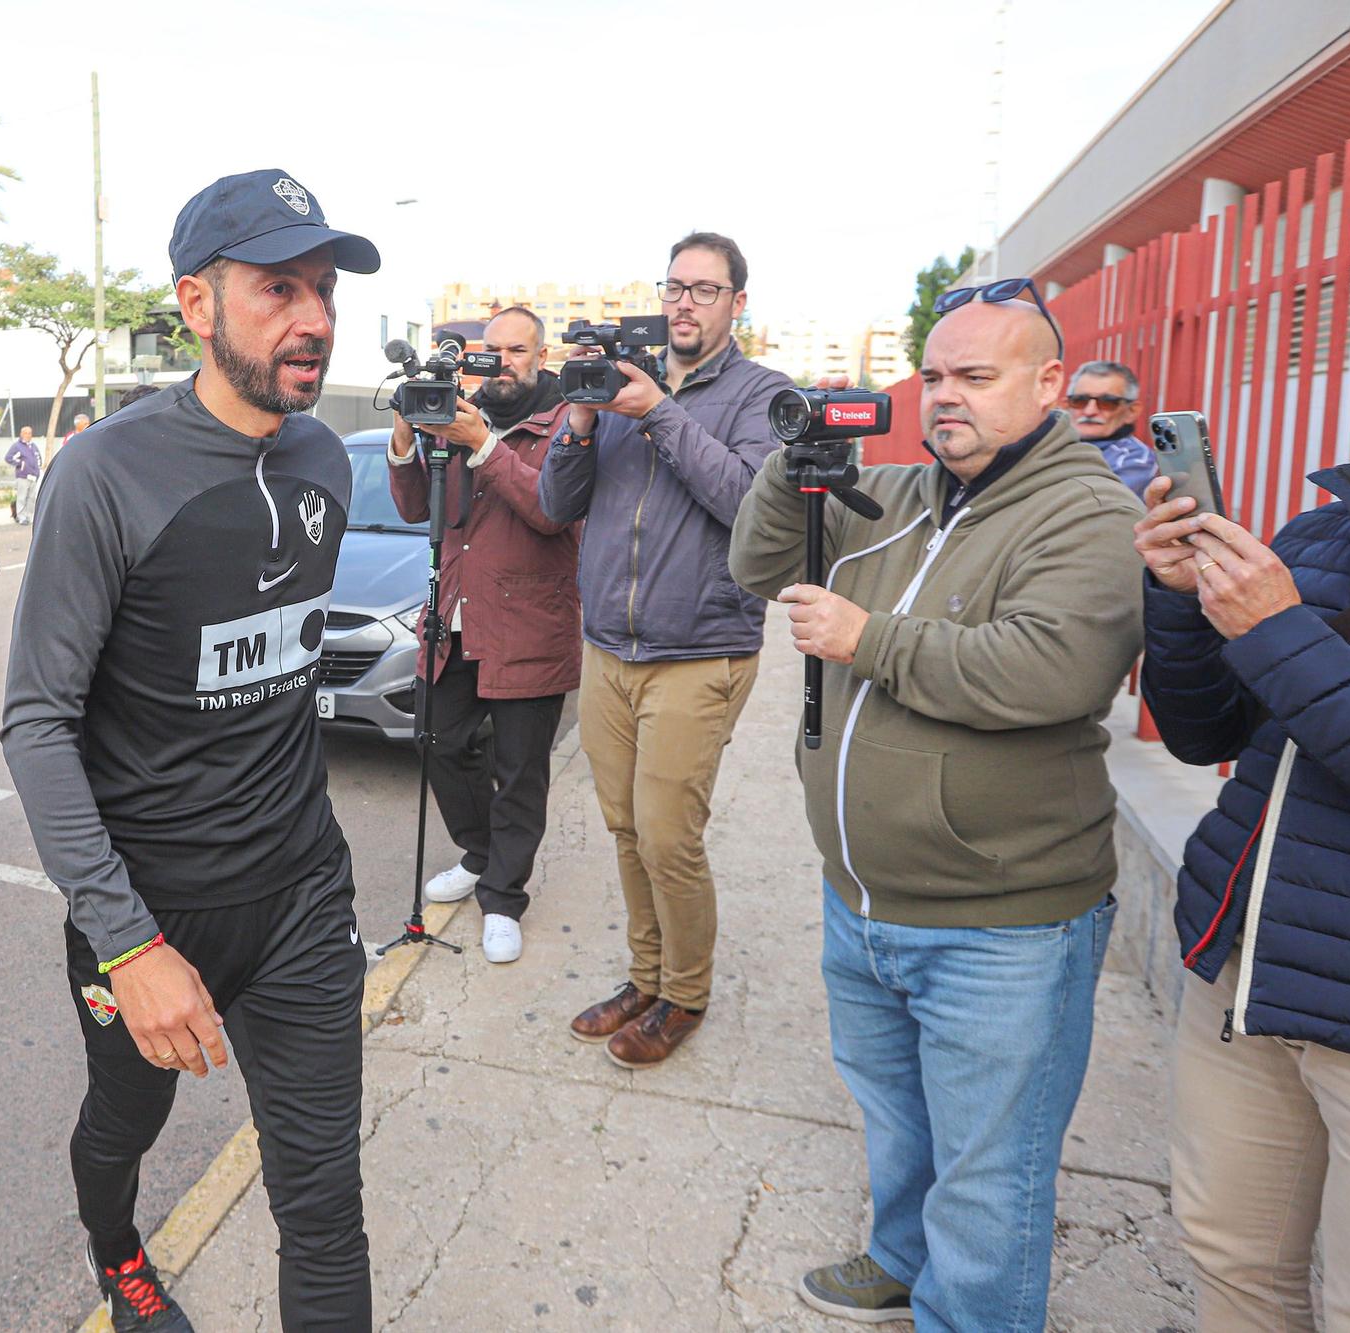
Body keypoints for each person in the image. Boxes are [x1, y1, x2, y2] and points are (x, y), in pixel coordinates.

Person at [3, 169, 379, 1332]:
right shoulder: (105, 472)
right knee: (124, 1126)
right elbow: (36, 722)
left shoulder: (324, 458)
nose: (311, 316)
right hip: (152, 913)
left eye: (321, 289)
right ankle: (116, 1258)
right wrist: (129, 945)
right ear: (196, 304)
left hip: (302, 898)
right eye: (277, 288)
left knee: (325, 1203)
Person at [729, 285, 1145, 1330]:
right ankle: (900, 1258)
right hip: (864, 897)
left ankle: (960, 1305)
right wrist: (793, 469)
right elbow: (759, 566)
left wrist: (865, 640)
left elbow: (1049, 670)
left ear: (1048, 383)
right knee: (900, 1126)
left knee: (988, 1178)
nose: (943, 397)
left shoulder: (1088, 509)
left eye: (974, 376)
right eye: (934, 377)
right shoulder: (908, 493)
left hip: (1000, 921)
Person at [1135, 244, 1350, 1331]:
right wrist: (1177, 598)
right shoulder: (1325, 530)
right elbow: (1204, 730)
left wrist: (1277, 633)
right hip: (1240, 984)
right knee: (1232, 1275)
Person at [537, 231, 792, 1068]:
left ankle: (686, 991)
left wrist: (659, 413)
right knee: (623, 827)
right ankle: (644, 977)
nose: (685, 302)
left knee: (667, 834)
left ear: (736, 304)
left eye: (705, 290)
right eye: (675, 287)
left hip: (701, 648)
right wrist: (581, 415)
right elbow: (555, 500)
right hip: (610, 647)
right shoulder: (616, 384)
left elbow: (750, 502)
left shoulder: (761, 393)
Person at [387, 306, 579, 964]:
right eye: (490, 349)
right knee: (434, 737)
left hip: (531, 624)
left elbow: (553, 510)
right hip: (453, 620)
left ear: (540, 354)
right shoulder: (457, 408)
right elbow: (417, 507)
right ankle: (479, 854)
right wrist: (406, 431)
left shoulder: (566, 420)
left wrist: (485, 446)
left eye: (516, 349)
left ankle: (503, 896)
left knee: (519, 771)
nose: (501, 361)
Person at [1065, 359, 1157, 496]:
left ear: (1131, 411)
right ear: (1066, 405)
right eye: (1080, 401)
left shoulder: (1135, 462)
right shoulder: (1048, 445)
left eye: (1107, 402)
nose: (1090, 411)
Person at [6, 425, 41, 523]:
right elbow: (8, 457)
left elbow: (38, 458)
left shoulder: (33, 446)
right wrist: (21, 464)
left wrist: (38, 469)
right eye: (26, 433)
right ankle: (21, 517)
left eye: (30, 433)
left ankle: (30, 517)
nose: (28, 435)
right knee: (22, 497)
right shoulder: (17, 446)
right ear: (21, 434)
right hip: (23, 476)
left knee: (32, 498)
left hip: (34, 476)